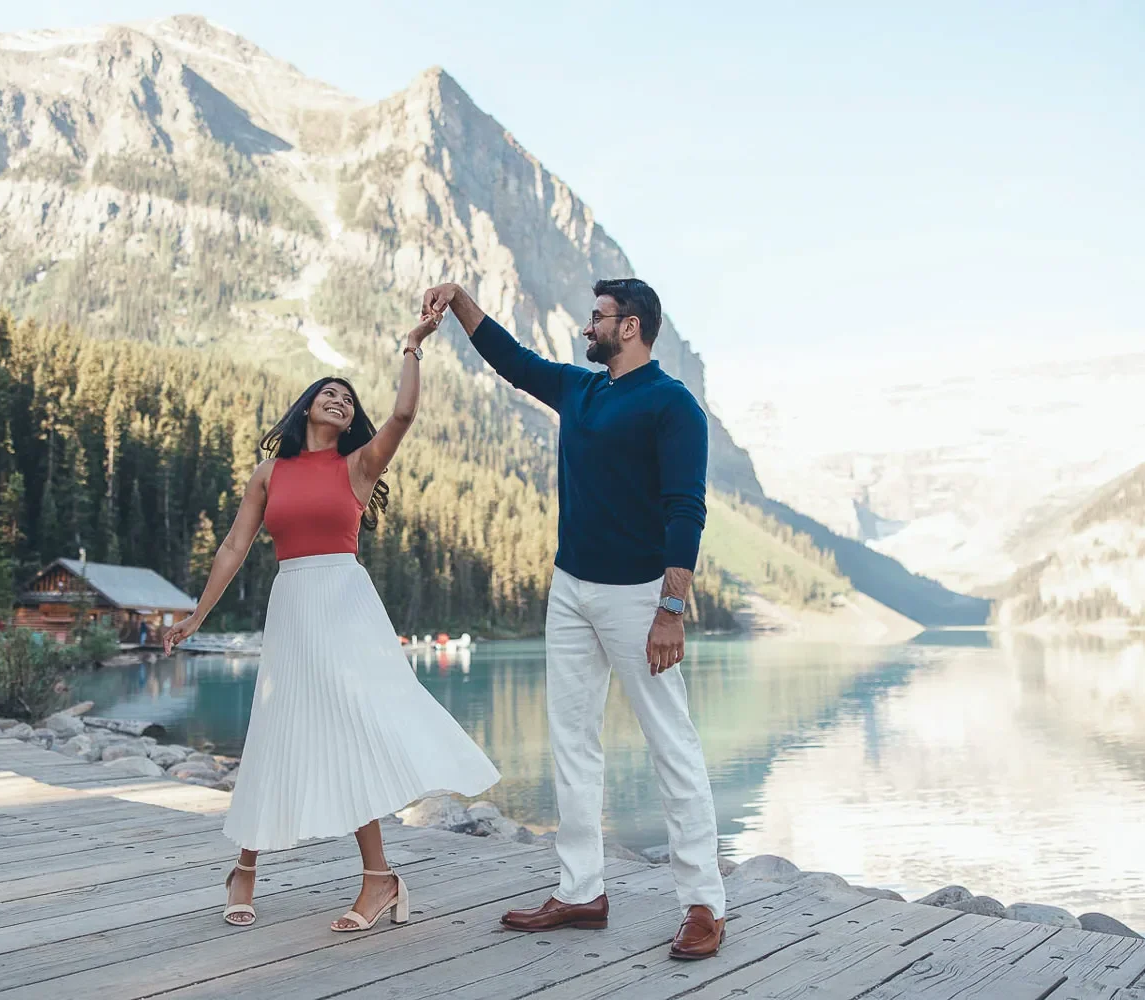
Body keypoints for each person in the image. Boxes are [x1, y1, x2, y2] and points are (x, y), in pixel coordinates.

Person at [162, 308, 499, 933]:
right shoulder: (271, 472)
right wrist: (195, 616)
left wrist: (411, 348)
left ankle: (378, 880)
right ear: (306, 408)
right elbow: (235, 547)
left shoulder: (359, 466)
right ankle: (245, 868)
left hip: (345, 602)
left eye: (348, 397)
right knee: (275, 728)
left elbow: (402, 415)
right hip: (292, 601)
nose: (340, 400)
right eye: (329, 393)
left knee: (352, 729)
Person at [422, 278, 727, 960]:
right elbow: (515, 360)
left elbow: (686, 510)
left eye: (598, 319)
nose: (587, 328)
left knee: (671, 744)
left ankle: (703, 903)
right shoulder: (580, 391)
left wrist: (670, 611)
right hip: (570, 591)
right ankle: (582, 890)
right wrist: (463, 301)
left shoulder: (672, 405)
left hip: (639, 597)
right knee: (572, 740)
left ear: (631, 328)